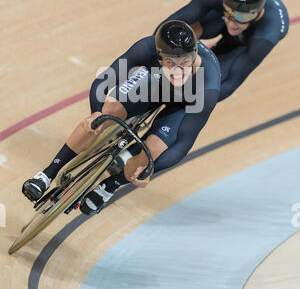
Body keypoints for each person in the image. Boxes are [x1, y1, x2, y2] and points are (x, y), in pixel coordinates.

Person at [22, 20, 221, 215]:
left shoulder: (208, 84)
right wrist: (96, 113)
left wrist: (150, 168)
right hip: (154, 86)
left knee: (152, 154)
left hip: (183, 106)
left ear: (193, 55)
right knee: (105, 115)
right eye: (170, 62)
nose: (178, 71)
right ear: (159, 57)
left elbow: (183, 144)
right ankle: (47, 175)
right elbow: (104, 82)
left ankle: (110, 184)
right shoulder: (147, 47)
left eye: (184, 62)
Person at [154, 0, 289, 101]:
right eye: (229, 16)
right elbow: (171, 24)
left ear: (258, 14)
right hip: (219, 20)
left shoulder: (268, 33)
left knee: (215, 77)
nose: (232, 24)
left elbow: (232, 80)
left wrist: (196, 103)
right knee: (185, 31)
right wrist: (154, 54)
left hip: (245, 40)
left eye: (240, 19)